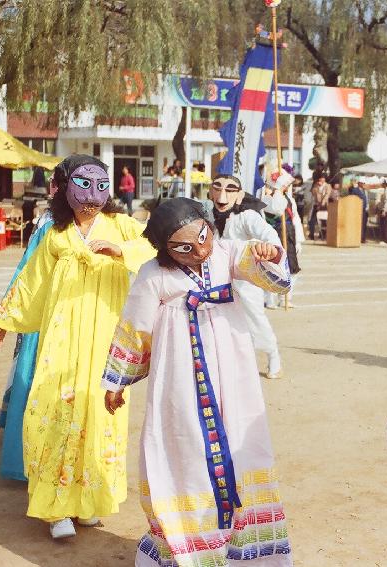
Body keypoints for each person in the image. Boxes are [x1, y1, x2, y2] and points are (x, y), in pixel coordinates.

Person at [102, 198, 292, 567]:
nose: (201, 250)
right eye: (185, 248)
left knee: (242, 446)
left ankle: (244, 555)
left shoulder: (225, 253)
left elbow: (264, 267)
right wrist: (117, 381)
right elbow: (135, 329)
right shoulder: (152, 275)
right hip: (180, 379)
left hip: (233, 372)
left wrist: (268, 253)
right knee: (184, 448)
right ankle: (187, 547)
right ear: (163, 248)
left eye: (203, 237)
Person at [0, 155, 156, 539]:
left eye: (100, 185)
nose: (92, 196)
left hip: (106, 336)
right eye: (83, 185)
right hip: (63, 338)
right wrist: (3, 321)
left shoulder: (122, 226)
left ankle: (88, 501)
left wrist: (121, 252)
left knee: (100, 413)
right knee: (56, 408)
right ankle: (56, 508)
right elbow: (32, 283)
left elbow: (155, 249)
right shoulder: (55, 234)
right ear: (65, 188)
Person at [0, 208, 55, 481]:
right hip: (42, 317)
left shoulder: (110, 227)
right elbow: (28, 274)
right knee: (34, 383)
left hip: (84, 325)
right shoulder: (50, 223)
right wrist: (6, 318)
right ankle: (30, 459)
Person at [209, 174, 286, 379]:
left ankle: (273, 355)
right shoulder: (207, 214)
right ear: (210, 191)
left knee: (255, 318)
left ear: (240, 195)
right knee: (221, 321)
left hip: (245, 280)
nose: (222, 196)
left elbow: (270, 236)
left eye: (229, 190)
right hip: (217, 279)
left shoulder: (247, 217)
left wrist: (269, 250)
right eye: (217, 189)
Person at [265, 172, 305, 309]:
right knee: (273, 267)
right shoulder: (268, 199)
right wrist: (277, 192)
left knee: (292, 268)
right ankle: (270, 299)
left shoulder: (290, 200)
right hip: (275, 235)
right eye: (286, 184)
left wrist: (299, 239)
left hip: (289, 236)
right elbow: (276, 209)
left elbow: (296, 220)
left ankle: (286, 298)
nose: (288, 187)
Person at [308, 175, 330, 240]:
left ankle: (323, 235)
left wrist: (322, 202)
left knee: (323, 220)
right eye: (320, 179)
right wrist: (317, 186)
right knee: (312, 220)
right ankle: (311, 234)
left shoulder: (327, 186)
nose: (321, 180)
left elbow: (327, 195)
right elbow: (312, 192)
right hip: (316, 204)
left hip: (324, 205)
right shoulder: (316, 185)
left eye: (323, 178)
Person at [349, 179, 370, 243]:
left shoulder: (365, 190)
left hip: (365, 209)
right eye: (362, 183)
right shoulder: (355, 190)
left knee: (364, 224)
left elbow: (366, 199)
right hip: (358, 209)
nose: (363, 184)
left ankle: (363, 238)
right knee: (359, 224)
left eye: (364, 183)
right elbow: (352, 198)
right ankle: (358, 238)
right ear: (359, 183)